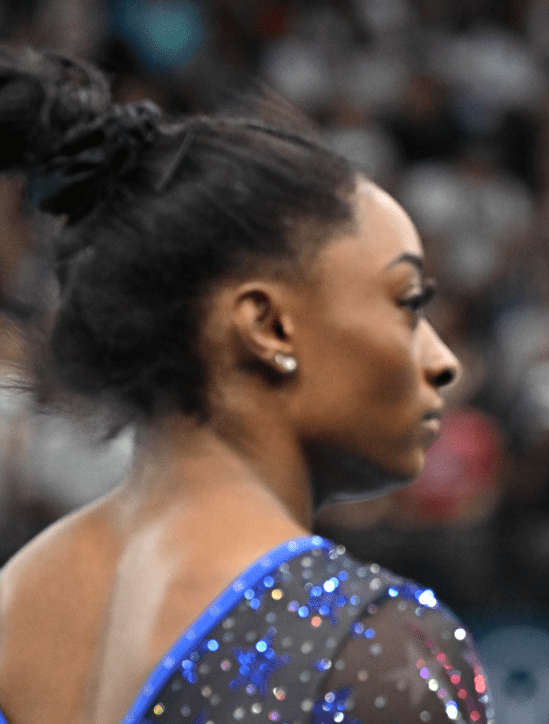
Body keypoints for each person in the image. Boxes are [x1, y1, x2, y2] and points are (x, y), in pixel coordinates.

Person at [0, 48, 491, 724]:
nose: (443, 361)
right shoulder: (373, 650)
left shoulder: (13, 607)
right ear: (268, 326)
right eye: (408, 304)